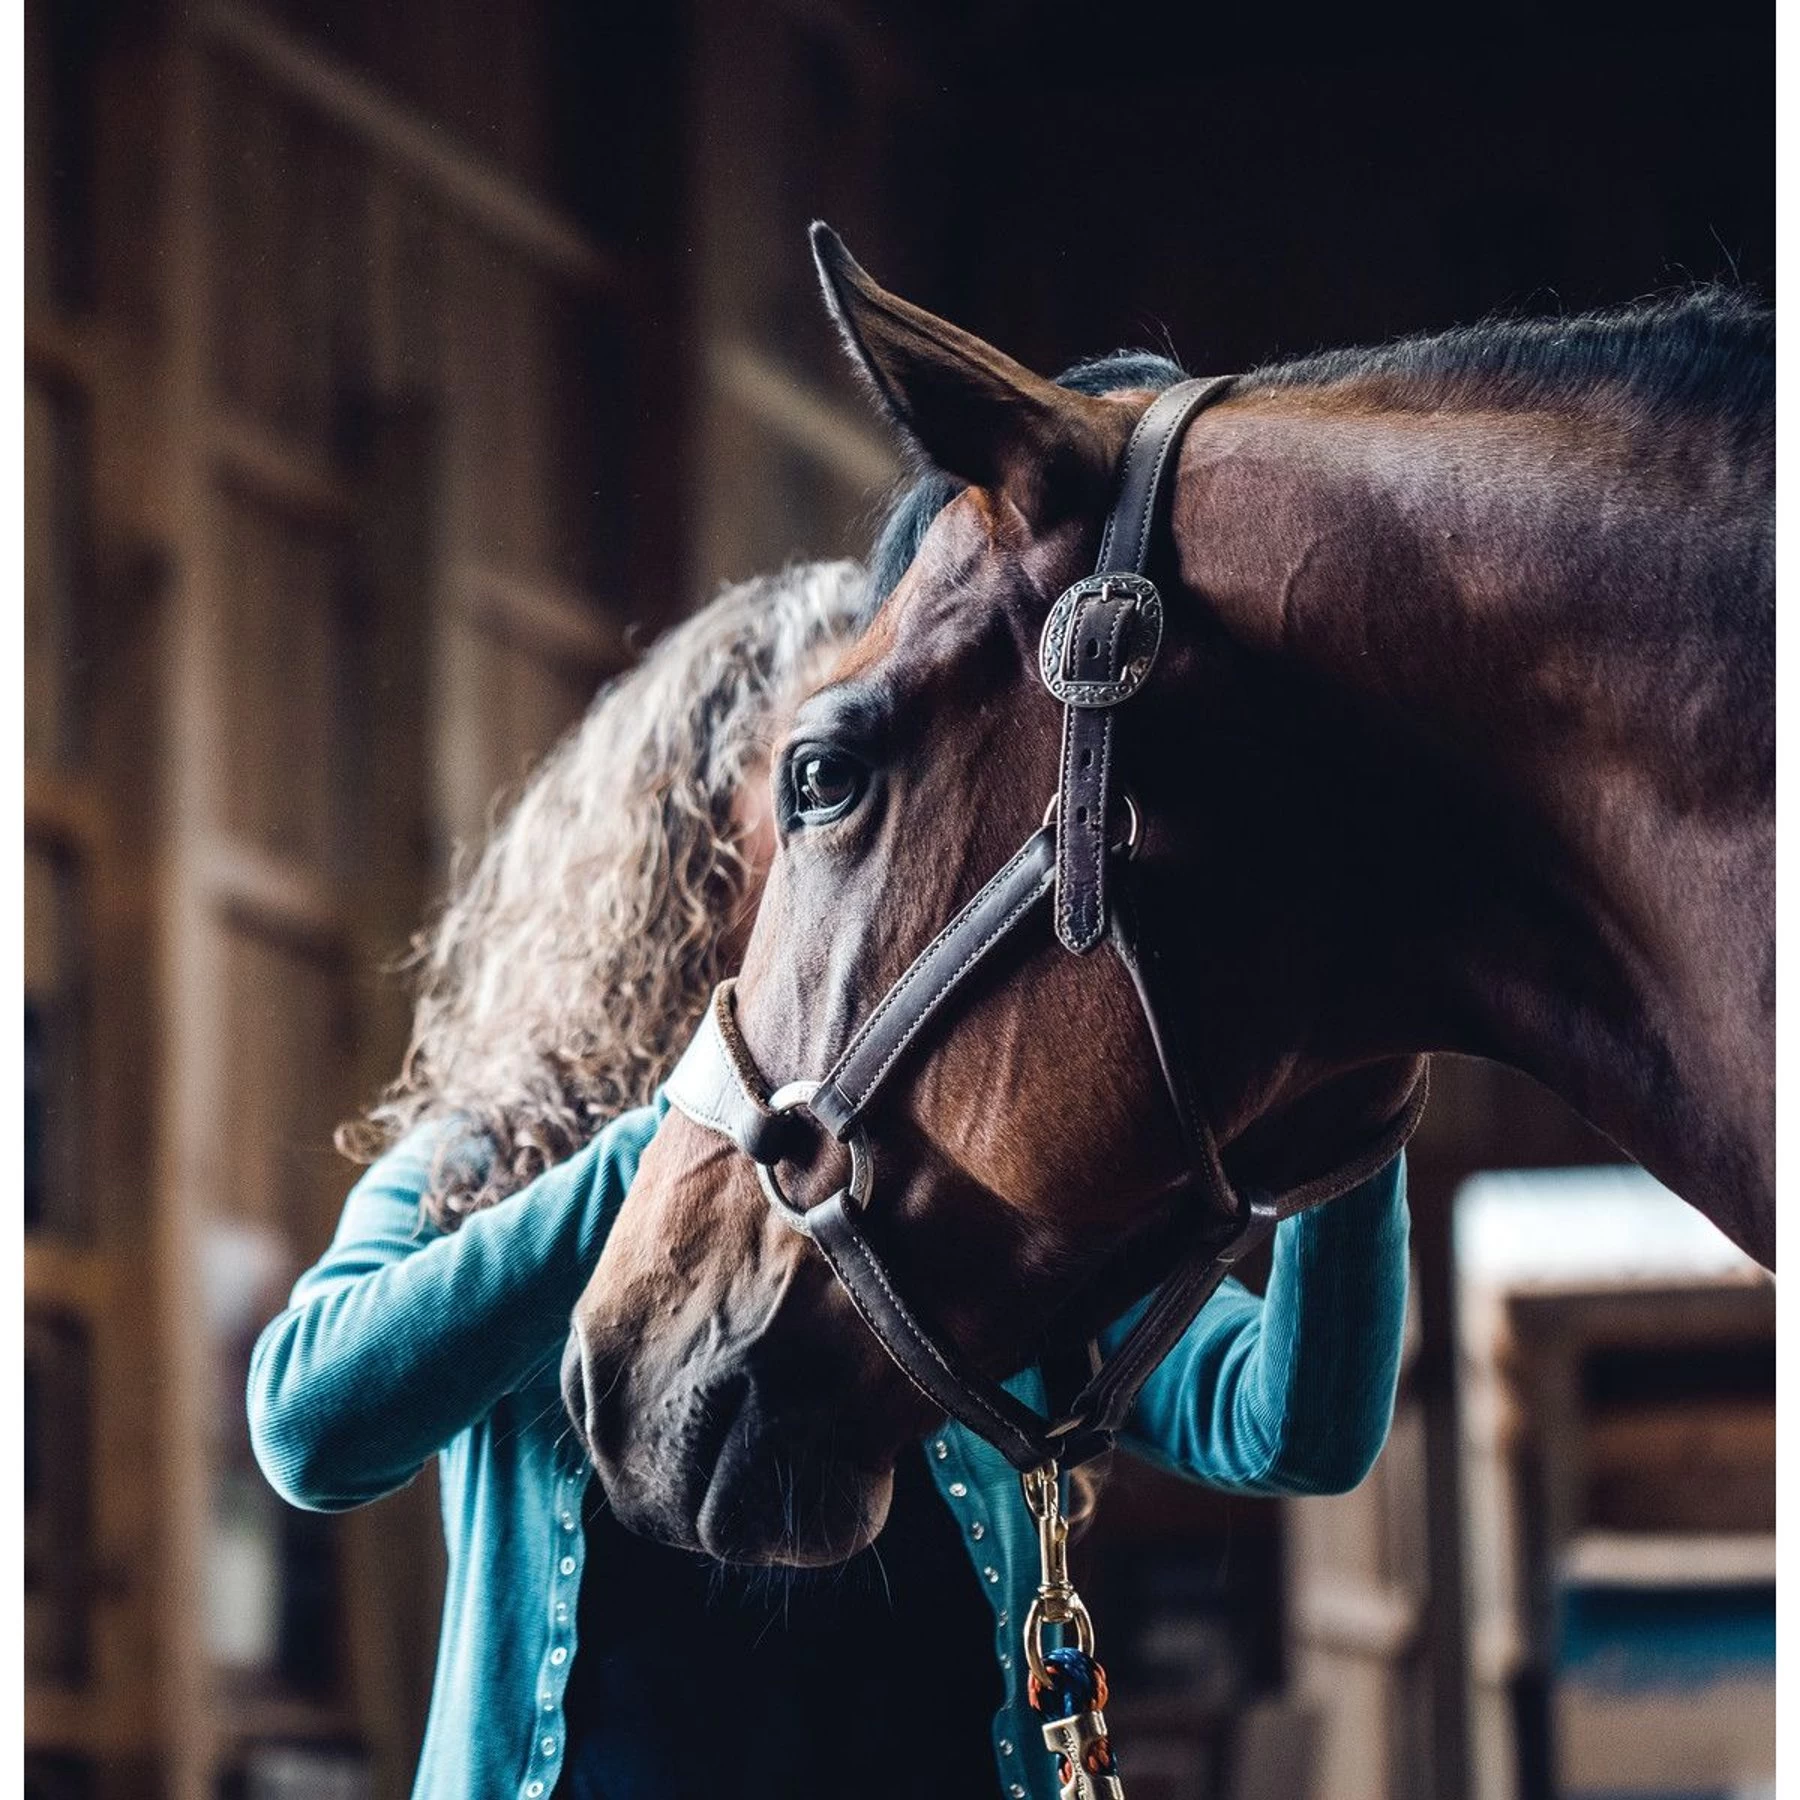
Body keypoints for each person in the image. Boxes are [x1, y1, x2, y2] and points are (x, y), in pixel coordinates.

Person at [251, 391, 1411, 1800]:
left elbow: (1291, 1427)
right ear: (688, 835)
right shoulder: (509, 1152)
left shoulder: (956, 1188)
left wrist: (1366, 1067)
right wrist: (690, 1145)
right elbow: (310, 1426)